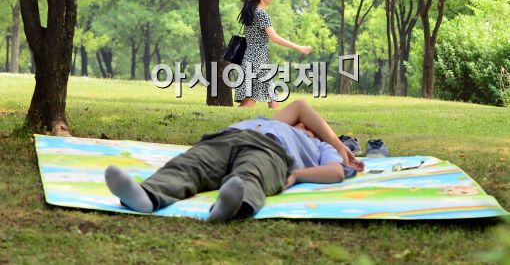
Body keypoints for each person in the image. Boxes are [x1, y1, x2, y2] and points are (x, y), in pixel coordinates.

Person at [104, 98, 365, 221]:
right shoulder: (275, 121)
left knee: (251, 174)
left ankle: (231, 206)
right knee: (189, 164)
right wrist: (334, 138)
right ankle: (146, 196)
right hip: (227, 138)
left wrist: (299, 174)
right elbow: (301, 106)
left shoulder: (318, 145)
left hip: (271, 151)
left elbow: (336, 172)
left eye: (308, 126)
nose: (303, 125)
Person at [235, 0, 312, 108]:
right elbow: (275, 38)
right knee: (250, 101)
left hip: (254, 59)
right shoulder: (261, 14)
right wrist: (299, 47)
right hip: (257, 62)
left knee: (272, 98)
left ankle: (279, 125)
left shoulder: (253, 12)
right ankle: (235, 126)